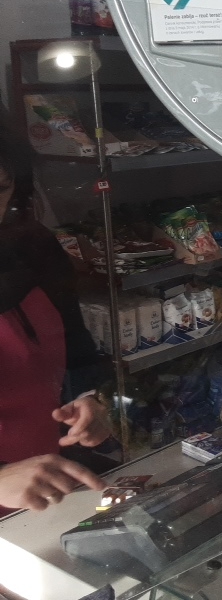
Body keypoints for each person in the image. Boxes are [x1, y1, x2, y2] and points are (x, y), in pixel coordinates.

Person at [0, 124, 109, 512]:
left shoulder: (33, 248)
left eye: (0, 189)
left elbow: (75, 344)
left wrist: (88, 401)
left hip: (46, 490)